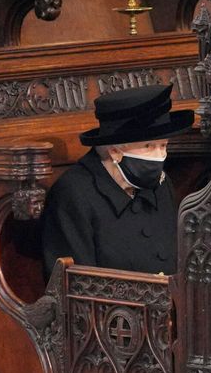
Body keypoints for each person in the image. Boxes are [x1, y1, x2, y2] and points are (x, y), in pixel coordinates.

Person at [41, 84, 194, 279]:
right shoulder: (73, 194)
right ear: (114, 150)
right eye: (149, 146)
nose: (160, 156)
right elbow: (73, 287)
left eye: (163, 145)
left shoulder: (162, 184)